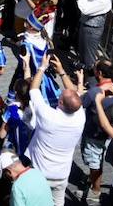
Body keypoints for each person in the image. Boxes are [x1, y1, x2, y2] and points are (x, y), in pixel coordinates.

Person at [25, 56, 85, 206]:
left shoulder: (48, 116)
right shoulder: (80, 117)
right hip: (61, 175)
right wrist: (62, 72)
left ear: (60, 102)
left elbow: (33, 89)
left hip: (40, 173)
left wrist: (42, 67)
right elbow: (73, 94)